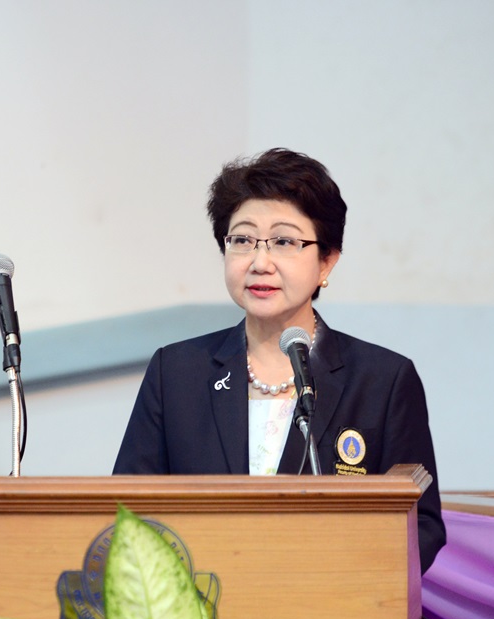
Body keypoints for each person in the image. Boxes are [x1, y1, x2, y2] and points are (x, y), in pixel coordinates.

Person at [113, 148, 445, 573]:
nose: (260, 262)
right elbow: (126, 512)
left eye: (285, 241)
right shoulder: (175, 372)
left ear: (327, 261)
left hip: (330, 617)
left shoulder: (383, 379)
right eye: (242, 240)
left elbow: (422, 526)